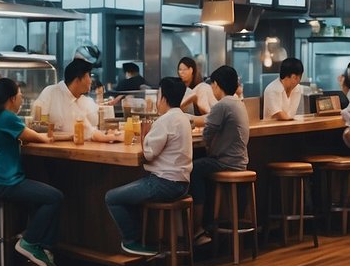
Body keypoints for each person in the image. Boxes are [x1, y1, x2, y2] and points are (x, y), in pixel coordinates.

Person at [0, 78, 63, 266]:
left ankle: (43, 249)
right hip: (0, 182)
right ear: (12, 99)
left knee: (40, 198)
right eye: (20, 95)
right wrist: (46, 137)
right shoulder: (7, 117)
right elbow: (37, 137)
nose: (22, 98)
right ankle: (30, 242)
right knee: (54, 197)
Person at [104, 77, 192, 256]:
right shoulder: (182, 117)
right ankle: (143, 240)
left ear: (163, 98)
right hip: (182, 184)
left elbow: (149, 154)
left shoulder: (165, 120)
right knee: (132, 196)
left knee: (112, 197)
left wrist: (144, 135)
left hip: (164, 183)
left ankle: (132, 241)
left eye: (158, 96)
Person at [189, 65, 249, 243]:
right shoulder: (237, 102)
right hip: (240, 161)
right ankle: (207, 225)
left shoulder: (222, 105)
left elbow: (207, 134)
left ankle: (198, 228)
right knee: (203, 168)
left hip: (227, 163)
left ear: (216, 85)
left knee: (193, 169)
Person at [33, 58, 117, 142]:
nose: (90, 81)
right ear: (77, 80)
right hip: (52, 147)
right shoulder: (50, 93)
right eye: (88, 76)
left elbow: (91, 130)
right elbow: (38, 127)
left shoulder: (84, 100)